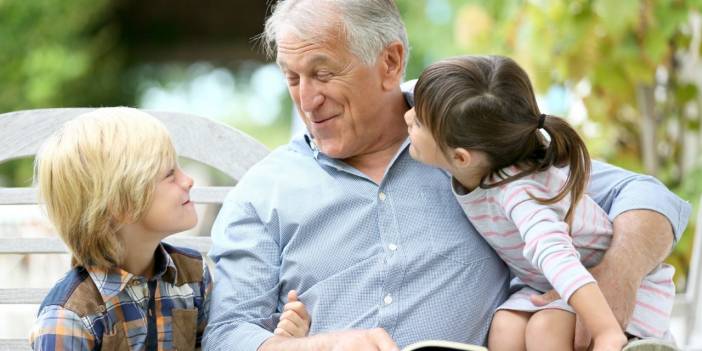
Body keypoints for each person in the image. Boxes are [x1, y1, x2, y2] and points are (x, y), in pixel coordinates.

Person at [203, 1, 690, 350]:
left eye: (324, 74)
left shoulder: (469, 142)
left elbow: (646, 195)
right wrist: (317, 348)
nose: (307, 100)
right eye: (292, 78)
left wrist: (616, 274)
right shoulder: (264, 191)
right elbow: (227, 333)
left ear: (389, 63)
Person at [401, 55, 677, 350]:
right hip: (549, 286)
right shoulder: (477, 154)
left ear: (460, 157)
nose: (406, 117)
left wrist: (606, 331)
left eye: (418, 122)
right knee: (505, 327)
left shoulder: (520, 194)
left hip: (607, 289)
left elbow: (558, 257)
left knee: (546, 329)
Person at [30, 107, 212, 350]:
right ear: (121, 206)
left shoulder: (193, 276)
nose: (188, 180)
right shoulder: (70, 318)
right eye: (170, 174)